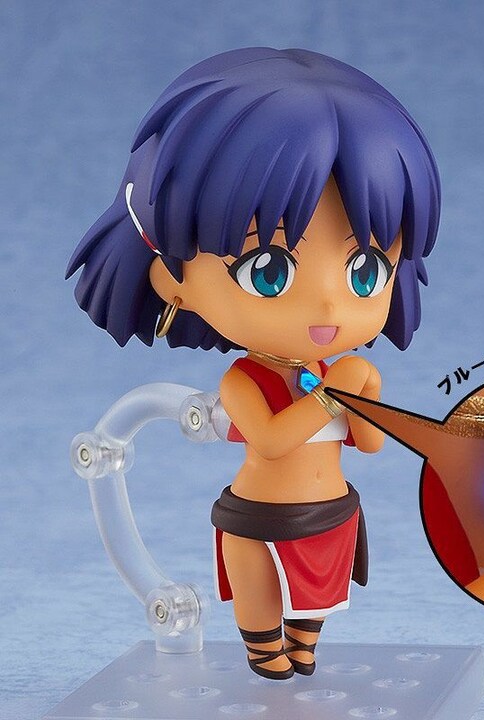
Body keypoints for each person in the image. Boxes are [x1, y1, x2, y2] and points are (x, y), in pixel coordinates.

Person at [66, 48, 440, 679]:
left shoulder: (346, 372)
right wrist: (330, 397)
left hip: (331, 514)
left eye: (366, 270)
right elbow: (268, 439)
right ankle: (266, 658)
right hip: (259, 518)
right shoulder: (245, 380)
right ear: (172, 279)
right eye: (269, 271)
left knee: (312, 619)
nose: (328, 305)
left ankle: (300, 654)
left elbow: (372, 444)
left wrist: (363, 396)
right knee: (263, 620)